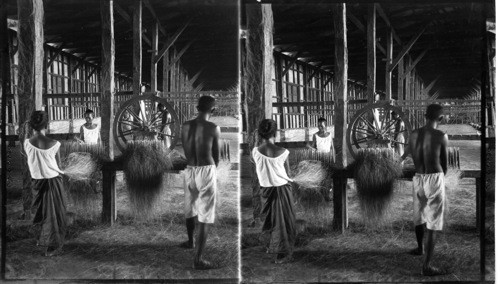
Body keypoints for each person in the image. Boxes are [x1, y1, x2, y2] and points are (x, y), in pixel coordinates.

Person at [407, 104, 449, 276]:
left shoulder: (413, 134)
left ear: (425, 116)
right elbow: (444, 165)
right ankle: (427, 266)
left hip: (418, 178)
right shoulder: (441, 136)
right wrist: (440, 179)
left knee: (419, 216)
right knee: (433, 223)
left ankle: (420, 248)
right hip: (434, 178)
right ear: (440, 119)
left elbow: (411, 155)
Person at [180, 95, 220, 270]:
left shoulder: (185, 126)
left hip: (190, 169)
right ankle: (199, 259)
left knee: (190, 208)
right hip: (206, 170)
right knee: (205, 216)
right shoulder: (213, 127)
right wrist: (212, 171)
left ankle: (190, 242)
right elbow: (216, 156)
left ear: (197, 108)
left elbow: (185, 148)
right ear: (213, 110)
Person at [252, 119, 296, 264]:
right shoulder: (283, 152)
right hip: (282, 190)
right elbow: (288, 174)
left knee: (270, 221)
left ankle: (272, 247)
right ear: (275, 133)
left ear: (260, 133)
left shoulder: (255, 152)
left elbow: (260, 169)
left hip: (265, 191)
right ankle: (283, 254)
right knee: (283, 223)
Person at [24, 111, 67, 256]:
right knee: (54, 214)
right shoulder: (55, 144)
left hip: (36, 182)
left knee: (40, 212)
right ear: (46, 125)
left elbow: (32, 162)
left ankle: (41, 240)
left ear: (32, 125)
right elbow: (59, 167)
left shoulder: (27, 143)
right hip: (53, 182)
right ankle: (52, 245)